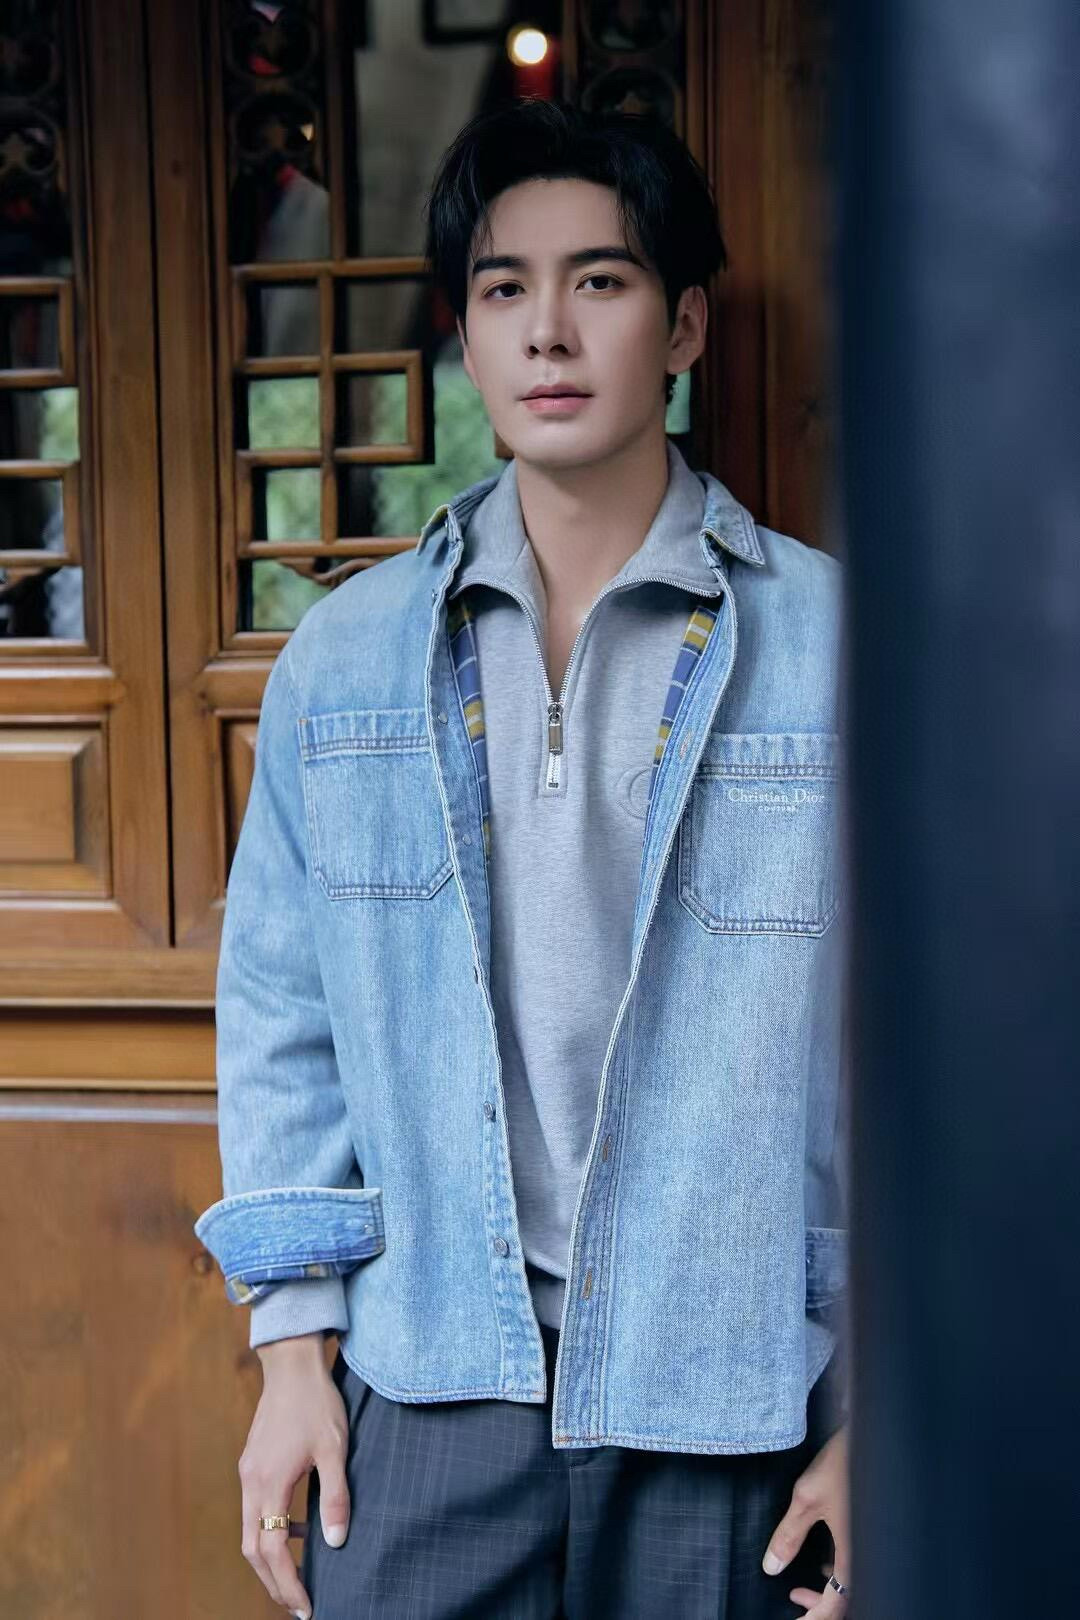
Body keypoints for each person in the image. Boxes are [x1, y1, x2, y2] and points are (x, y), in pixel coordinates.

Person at [193, 97, 852, 1620]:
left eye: (600, 281)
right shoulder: (345, 659)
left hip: (738, 1385)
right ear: (468, 334)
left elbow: (940, 1051)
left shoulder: (836, 647)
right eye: (505, 288)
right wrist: (292, 1357)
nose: (549, 329)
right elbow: (282, 1016)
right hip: (432, 1377)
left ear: (684, 327)